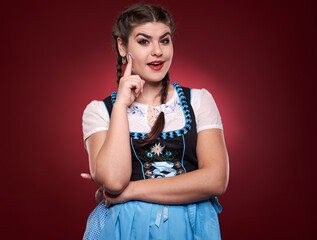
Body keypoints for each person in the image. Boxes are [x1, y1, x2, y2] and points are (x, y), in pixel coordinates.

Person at [81, 4, 229, 239]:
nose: (157, 51)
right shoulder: (100, 111)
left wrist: (130, 191)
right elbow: (114, 180)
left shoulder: (199, 101)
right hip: (126, 229)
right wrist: (120, 105)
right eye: (144, 41)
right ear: (122, 46)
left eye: (164, 40)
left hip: (190, 228)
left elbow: (216, 180)